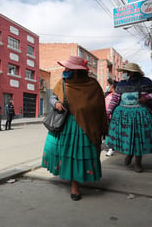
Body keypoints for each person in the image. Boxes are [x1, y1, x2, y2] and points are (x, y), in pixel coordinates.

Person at [41, 56, 108, 201]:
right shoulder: (63, 83)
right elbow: (53, 97)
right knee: (67, 155)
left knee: (78, 155)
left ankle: (76, 183)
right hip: (67, 124)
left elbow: (99, 108)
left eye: (68, 69)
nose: (65, 71)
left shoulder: (93, 86)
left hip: (86, 127)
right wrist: (56, 103)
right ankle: (74, 186)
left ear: (77, 71)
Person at [106, 62, 152, 173]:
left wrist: (147, 97)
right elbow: (115, 99)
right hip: (123, 114)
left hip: (140, 114)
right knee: (128, 137)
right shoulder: (122, 84)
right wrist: (108, 112)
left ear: (133, 72)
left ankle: (138, 162)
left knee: (139, 138)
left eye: (127, 72)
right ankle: (129, 154)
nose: (126, 74)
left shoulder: (147, 82)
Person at [105, 78, 118, 156]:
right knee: (108, 132)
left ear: (112, 86)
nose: (108, 86)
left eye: (109, 85)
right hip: (107, 116)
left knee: (113, 132)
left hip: (114, 116)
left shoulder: (117, 95)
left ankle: (112, 148)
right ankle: (111, 147)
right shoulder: (107, 94)